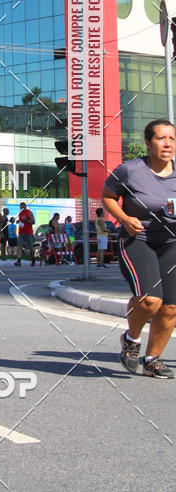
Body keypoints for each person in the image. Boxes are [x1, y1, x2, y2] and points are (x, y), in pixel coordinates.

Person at [102, 119, 176, 378]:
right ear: (148, 143)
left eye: (172, 139)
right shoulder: (129, 170)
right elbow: (108, 197)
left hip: (172, 242)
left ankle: (153, 359)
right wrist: (123, 218)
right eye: (161, 138)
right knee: (150, 300)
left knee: (171, 307)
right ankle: (131, 339)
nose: (167, 144)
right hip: (138, 239)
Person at [14, 201, 35, 266]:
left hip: (28, 233)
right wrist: (19, 221)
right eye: (20, 208)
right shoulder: (20, 213)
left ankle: (33, 259)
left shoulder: (29, 213)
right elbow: (21, 220)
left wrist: (26, 219)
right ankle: (19, 261)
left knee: (31, 247)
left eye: (22, 208)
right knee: (19, 246)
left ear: (25, 207)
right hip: (21, 232)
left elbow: (33, 221)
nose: (21, 209)